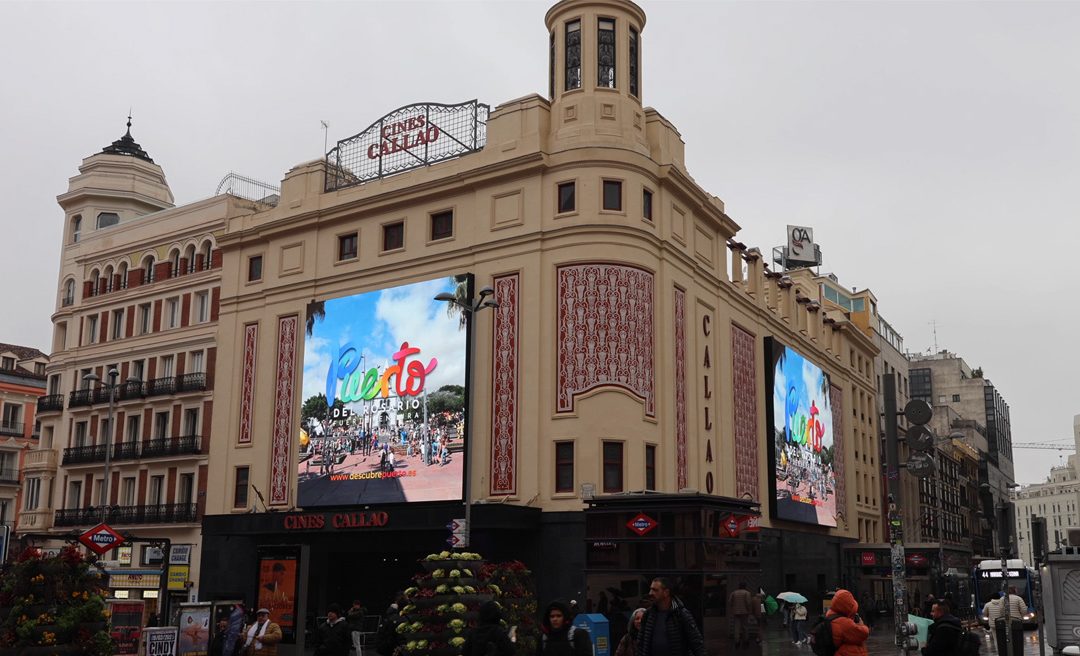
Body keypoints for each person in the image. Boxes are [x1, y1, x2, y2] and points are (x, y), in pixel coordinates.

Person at [636, 578, 704, 656]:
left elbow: (697, 644)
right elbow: (640, 644)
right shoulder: (648, 614)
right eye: (650, 589)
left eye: (655, 590)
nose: (650, 593)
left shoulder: (681, 614)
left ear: (666, 592)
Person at [824, 589, 869, 656]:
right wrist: (861, 624)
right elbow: (863, 633)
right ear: (847, 606)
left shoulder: (830, 615)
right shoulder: (843, 623)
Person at [987, 587, 1027, 656]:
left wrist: (1005, 616)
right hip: (1017, 621)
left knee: (1006, 638)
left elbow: (1001, 610)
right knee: (1018, 639)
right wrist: (1020, 616)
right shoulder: (1018, 598)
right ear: (1014, 591)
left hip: (1006, 622)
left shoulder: (1002, 599)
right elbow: (1024, 610)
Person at [727, 582, 754, 648]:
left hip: (736, 612)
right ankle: (746, 641)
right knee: (745, 627)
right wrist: (749, 611)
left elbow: (729, 601)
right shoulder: (747, 593)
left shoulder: (734, 593)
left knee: (736, 627)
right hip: (744, 612)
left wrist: (733, 607)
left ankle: (737, 642)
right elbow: (748, 603)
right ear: (745, 586)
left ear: (739, 586)